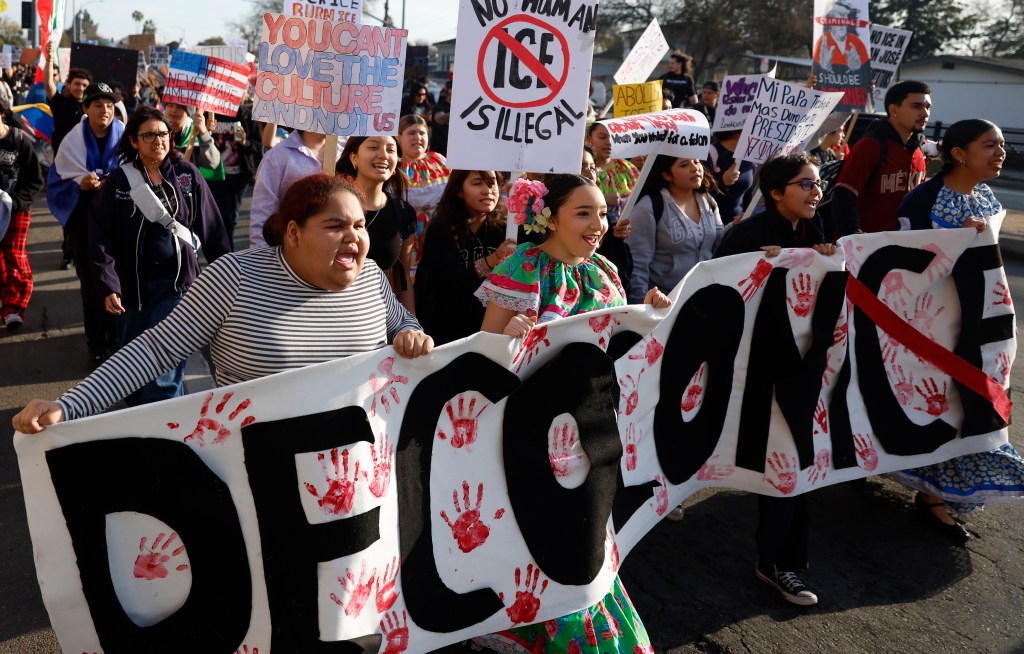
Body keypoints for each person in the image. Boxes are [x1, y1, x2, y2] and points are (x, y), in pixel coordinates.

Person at [13, 175, 432, 434]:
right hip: (253, 475)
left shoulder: (371, 277)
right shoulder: (235, 277)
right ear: (293, 233)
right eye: (335, 225)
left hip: (355, 477)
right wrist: (68, 406)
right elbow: (154, 350)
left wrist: (411, 335)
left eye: (359, 225)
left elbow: (402, 323)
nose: (353, 237)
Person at [472, 174, 668, 653]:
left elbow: (618, 349)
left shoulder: (605, 271)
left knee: (586, 534)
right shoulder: (524, 266)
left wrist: (651, 315)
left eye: (601, 213)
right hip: (526, 432)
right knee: (538, 532)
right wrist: (507, 338)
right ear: (550, 217)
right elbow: (481, 357)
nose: (598, 223)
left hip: (592, 428)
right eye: (583, 213)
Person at [890, 119, 1022, 541]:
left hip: (978, 325)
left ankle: (940, 492)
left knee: (971, 402)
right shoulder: (922, 200)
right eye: (990, 145)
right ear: (960, 154)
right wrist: (953, 240)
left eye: (1002, 145)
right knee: (937, 403)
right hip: (929, 331)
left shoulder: (985, 197)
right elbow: (902, 266)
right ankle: (927, 492)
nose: (1001, 153)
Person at [716, 153, 836, 607]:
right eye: (806, 184)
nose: (816, 191)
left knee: (792, 464)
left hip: (798, 371)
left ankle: (781, 563)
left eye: (818, 183)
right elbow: (718, 295)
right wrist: (756, 272)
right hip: (749, 373)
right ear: (775, 192)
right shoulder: (746, 236)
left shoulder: (815, 231)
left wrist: (825, 260)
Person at [89, 106, 231, 406]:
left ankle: (164, 428)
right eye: (149, 135)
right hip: (131, 292)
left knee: (164, 375)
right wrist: (108, 284)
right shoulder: (118, 182)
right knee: (132, 373)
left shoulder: (187, 174)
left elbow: (213, 230)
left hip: (178, 289)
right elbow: (100, 237)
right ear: (133, 141)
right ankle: (143, 420)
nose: (158, 140)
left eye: (164, 134)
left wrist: (229, 279)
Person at [46, 82, 125, 368]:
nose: (105, 110)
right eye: (98, 105)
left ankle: (118, 343)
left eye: (109, 105)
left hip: (118, 223)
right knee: (92, 288)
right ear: (85, 108)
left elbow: (138, 171)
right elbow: (56, 181)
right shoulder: (72, 141)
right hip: (84, 224)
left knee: (119, 283)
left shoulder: (125, 136)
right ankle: (97, 346)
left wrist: (115, 181)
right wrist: (80, 183)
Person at [414, 170, 516, 345]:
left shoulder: (506, 229)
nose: (487, 190)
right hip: (444, 333)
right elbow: (444, 284)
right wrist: (490, 261)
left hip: (487, 334)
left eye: (492, 183)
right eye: (477, 183)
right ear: (459, 190)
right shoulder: (441, 229)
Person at [832, 80, 931, 235]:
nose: (925, 113)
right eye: (916, 106)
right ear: (893, 109)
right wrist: (855, 237)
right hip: (866, 245)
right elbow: (843, 195)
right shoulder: (870, 146)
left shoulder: (920, 150)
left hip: (904, 243)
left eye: (927, 107)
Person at [626, 156, 723, 304]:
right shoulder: (649, 207)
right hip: (663, 303)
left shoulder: (708, 201)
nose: (695, 168)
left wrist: (738, 227)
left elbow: (720, 243)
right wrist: (641, 306)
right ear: (667, 175)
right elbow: (638, 263)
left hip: (703, 298)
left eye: (697, 162)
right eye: (684, 165)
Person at [336, 136, 417, 313]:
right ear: (354, 158)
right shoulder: (330, 205)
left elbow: (402, 278)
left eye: (391, 150)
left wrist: (411, 322)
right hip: (331, 312)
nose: (383, 155)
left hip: (377, 317)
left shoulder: (403, 212)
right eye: (373, 147)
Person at [249, 129, 344, 248]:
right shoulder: (278, 156)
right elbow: (262, 212)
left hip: (337, 248)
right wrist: (262, 255)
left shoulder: (346, 152)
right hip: (292, 248)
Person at [0, 96, 44, 330]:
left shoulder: (19, 141)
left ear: (2, 114)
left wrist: (16, 202)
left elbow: (35, 180)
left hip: (17, 210)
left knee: (15, 258)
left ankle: (14, 308)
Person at [397, 114, 451, 280]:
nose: (418, 138)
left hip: (439, 234)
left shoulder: (439, 160)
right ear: (398, 138)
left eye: (422, 133)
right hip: (407, 239)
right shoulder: (394, 167)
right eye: (411, 133)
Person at [587, 121, 636, 282]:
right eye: (602, 137)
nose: (609, 142)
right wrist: (603, 200)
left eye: (613, 137)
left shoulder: (628, 169)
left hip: (626, 242)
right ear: (589, 139)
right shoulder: (583, 171)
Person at [208, 111, 261, 247]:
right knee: (225, 217)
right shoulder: (210, 113)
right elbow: (198, 144)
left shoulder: (246, 115)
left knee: (233, 215)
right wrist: (205, 132)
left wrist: (245, 141)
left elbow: (259, 145)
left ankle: (228, 248)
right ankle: (228, 250)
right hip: (216, 176)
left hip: (240, 178)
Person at [43, 41, 91, 153]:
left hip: (84, 157)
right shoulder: (60, 102)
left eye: (85, 85)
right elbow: (48, 83)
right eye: (77, 84)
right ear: (68, 84)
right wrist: (49, 59)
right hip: (62, 155)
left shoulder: (92, 106)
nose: (81, 88)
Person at [162, 101, 222, 183]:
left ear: (188, 113)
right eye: (170, 105)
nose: (173, 110)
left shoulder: (196, 134)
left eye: (179, 107)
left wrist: (204, 133)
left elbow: (213, 163)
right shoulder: (156, 129)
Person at [707, 129, 756, 224]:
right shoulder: (710, 153)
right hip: (714, 225)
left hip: (739, 224)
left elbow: (747, 193)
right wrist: (723, 182)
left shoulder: (748, 153)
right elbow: (700, 195)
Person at [429, 79, 452, 156]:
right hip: (438, 153)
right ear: (450, 90)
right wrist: (458, 112)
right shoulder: (439, 107)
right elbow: (440, 119)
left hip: (453, 152)